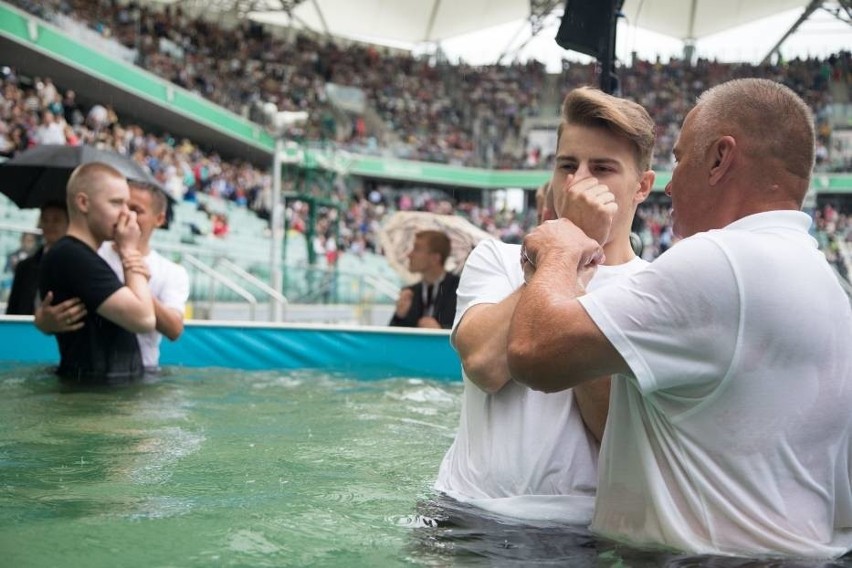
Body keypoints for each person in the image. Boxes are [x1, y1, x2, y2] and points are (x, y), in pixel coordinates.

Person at [506, 78, 852, 558]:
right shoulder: (828, 285)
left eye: (680, 159)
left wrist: (563, 243)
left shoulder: (718, 261)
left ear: (719, 159)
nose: (670, 184)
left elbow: (532, 353)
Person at [433, 87, 656, 523]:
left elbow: (616, 431)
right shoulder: (495, 257)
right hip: (460, 509)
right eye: (567, 166)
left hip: (575, 528)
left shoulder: (653, 287)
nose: (578, 182)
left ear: (642, 187)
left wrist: (566, 262)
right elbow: (484, 365)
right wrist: (563, 254)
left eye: (603, 168)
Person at [36, 182, 189, 371]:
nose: (126, 215)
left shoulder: (172, 271)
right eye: (121, 205)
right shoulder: (90, 255)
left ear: (159, 219)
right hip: (91, 372)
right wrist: (43, 322)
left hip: (143, 372)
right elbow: (53, 307)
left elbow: (174, 330)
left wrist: (137, 284)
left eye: (136, 210)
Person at [39, 162, 156, 383]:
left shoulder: (77, 254)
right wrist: (130, 250)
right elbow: (144, 318)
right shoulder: (73, 255)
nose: (126, 214)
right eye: (116, 203)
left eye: (127, 204)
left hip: (102, 393)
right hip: (96, 399)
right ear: (83, 203)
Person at [6, 201, 68, 315]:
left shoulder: (77, 264)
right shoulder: (25, 267)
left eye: (56, 220)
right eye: (45, 220)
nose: (50, 225)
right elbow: (13, 307)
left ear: (68, 224)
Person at [389, 230, 460, 329]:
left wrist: (442, 331)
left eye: (417, 249)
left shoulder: (459, 290)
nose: (409, 255)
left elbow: (469, 333)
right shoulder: (410, 293)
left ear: (435, 258)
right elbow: (393, 338)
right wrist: (399, 316)